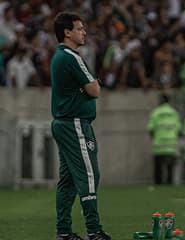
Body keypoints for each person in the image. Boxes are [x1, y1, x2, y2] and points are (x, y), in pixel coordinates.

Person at [50, 12, 111, 240]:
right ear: (67, 32)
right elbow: (95, 90)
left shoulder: (59, 56)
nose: (84, 32)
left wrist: (87, 86)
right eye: (79, 28)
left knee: (67, 180)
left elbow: (90, 87)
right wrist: (90, 85)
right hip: (75, 123)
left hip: (64, 123)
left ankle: (63, 231)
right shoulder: (70, 56)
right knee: (89, 175)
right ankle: (94, 231)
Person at [147, 93, 181, 184]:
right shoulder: (174, 113)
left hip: (158, 145)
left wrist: (154, 139)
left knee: (158, 169)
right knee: (170, 169)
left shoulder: (156, 112)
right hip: (170, 145)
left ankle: (158, 185)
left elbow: (151, 129)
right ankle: (169, 185)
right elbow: (178, 129)